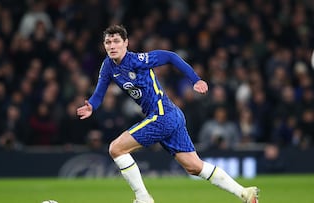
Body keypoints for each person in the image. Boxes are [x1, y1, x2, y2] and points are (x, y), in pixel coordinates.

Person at [77, 25, 259, 203]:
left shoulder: (137, 60)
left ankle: (143, 198)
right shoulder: (108, 66)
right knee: (194, 167)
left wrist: (195, 79)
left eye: (116, 41)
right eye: (108, 42)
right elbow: (100, 92)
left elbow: (170, 56)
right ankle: (245, 193)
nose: (112, 46)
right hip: (169, 115)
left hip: (162, 115)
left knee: (116, 148)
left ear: (126, 43)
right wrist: (92, 105)